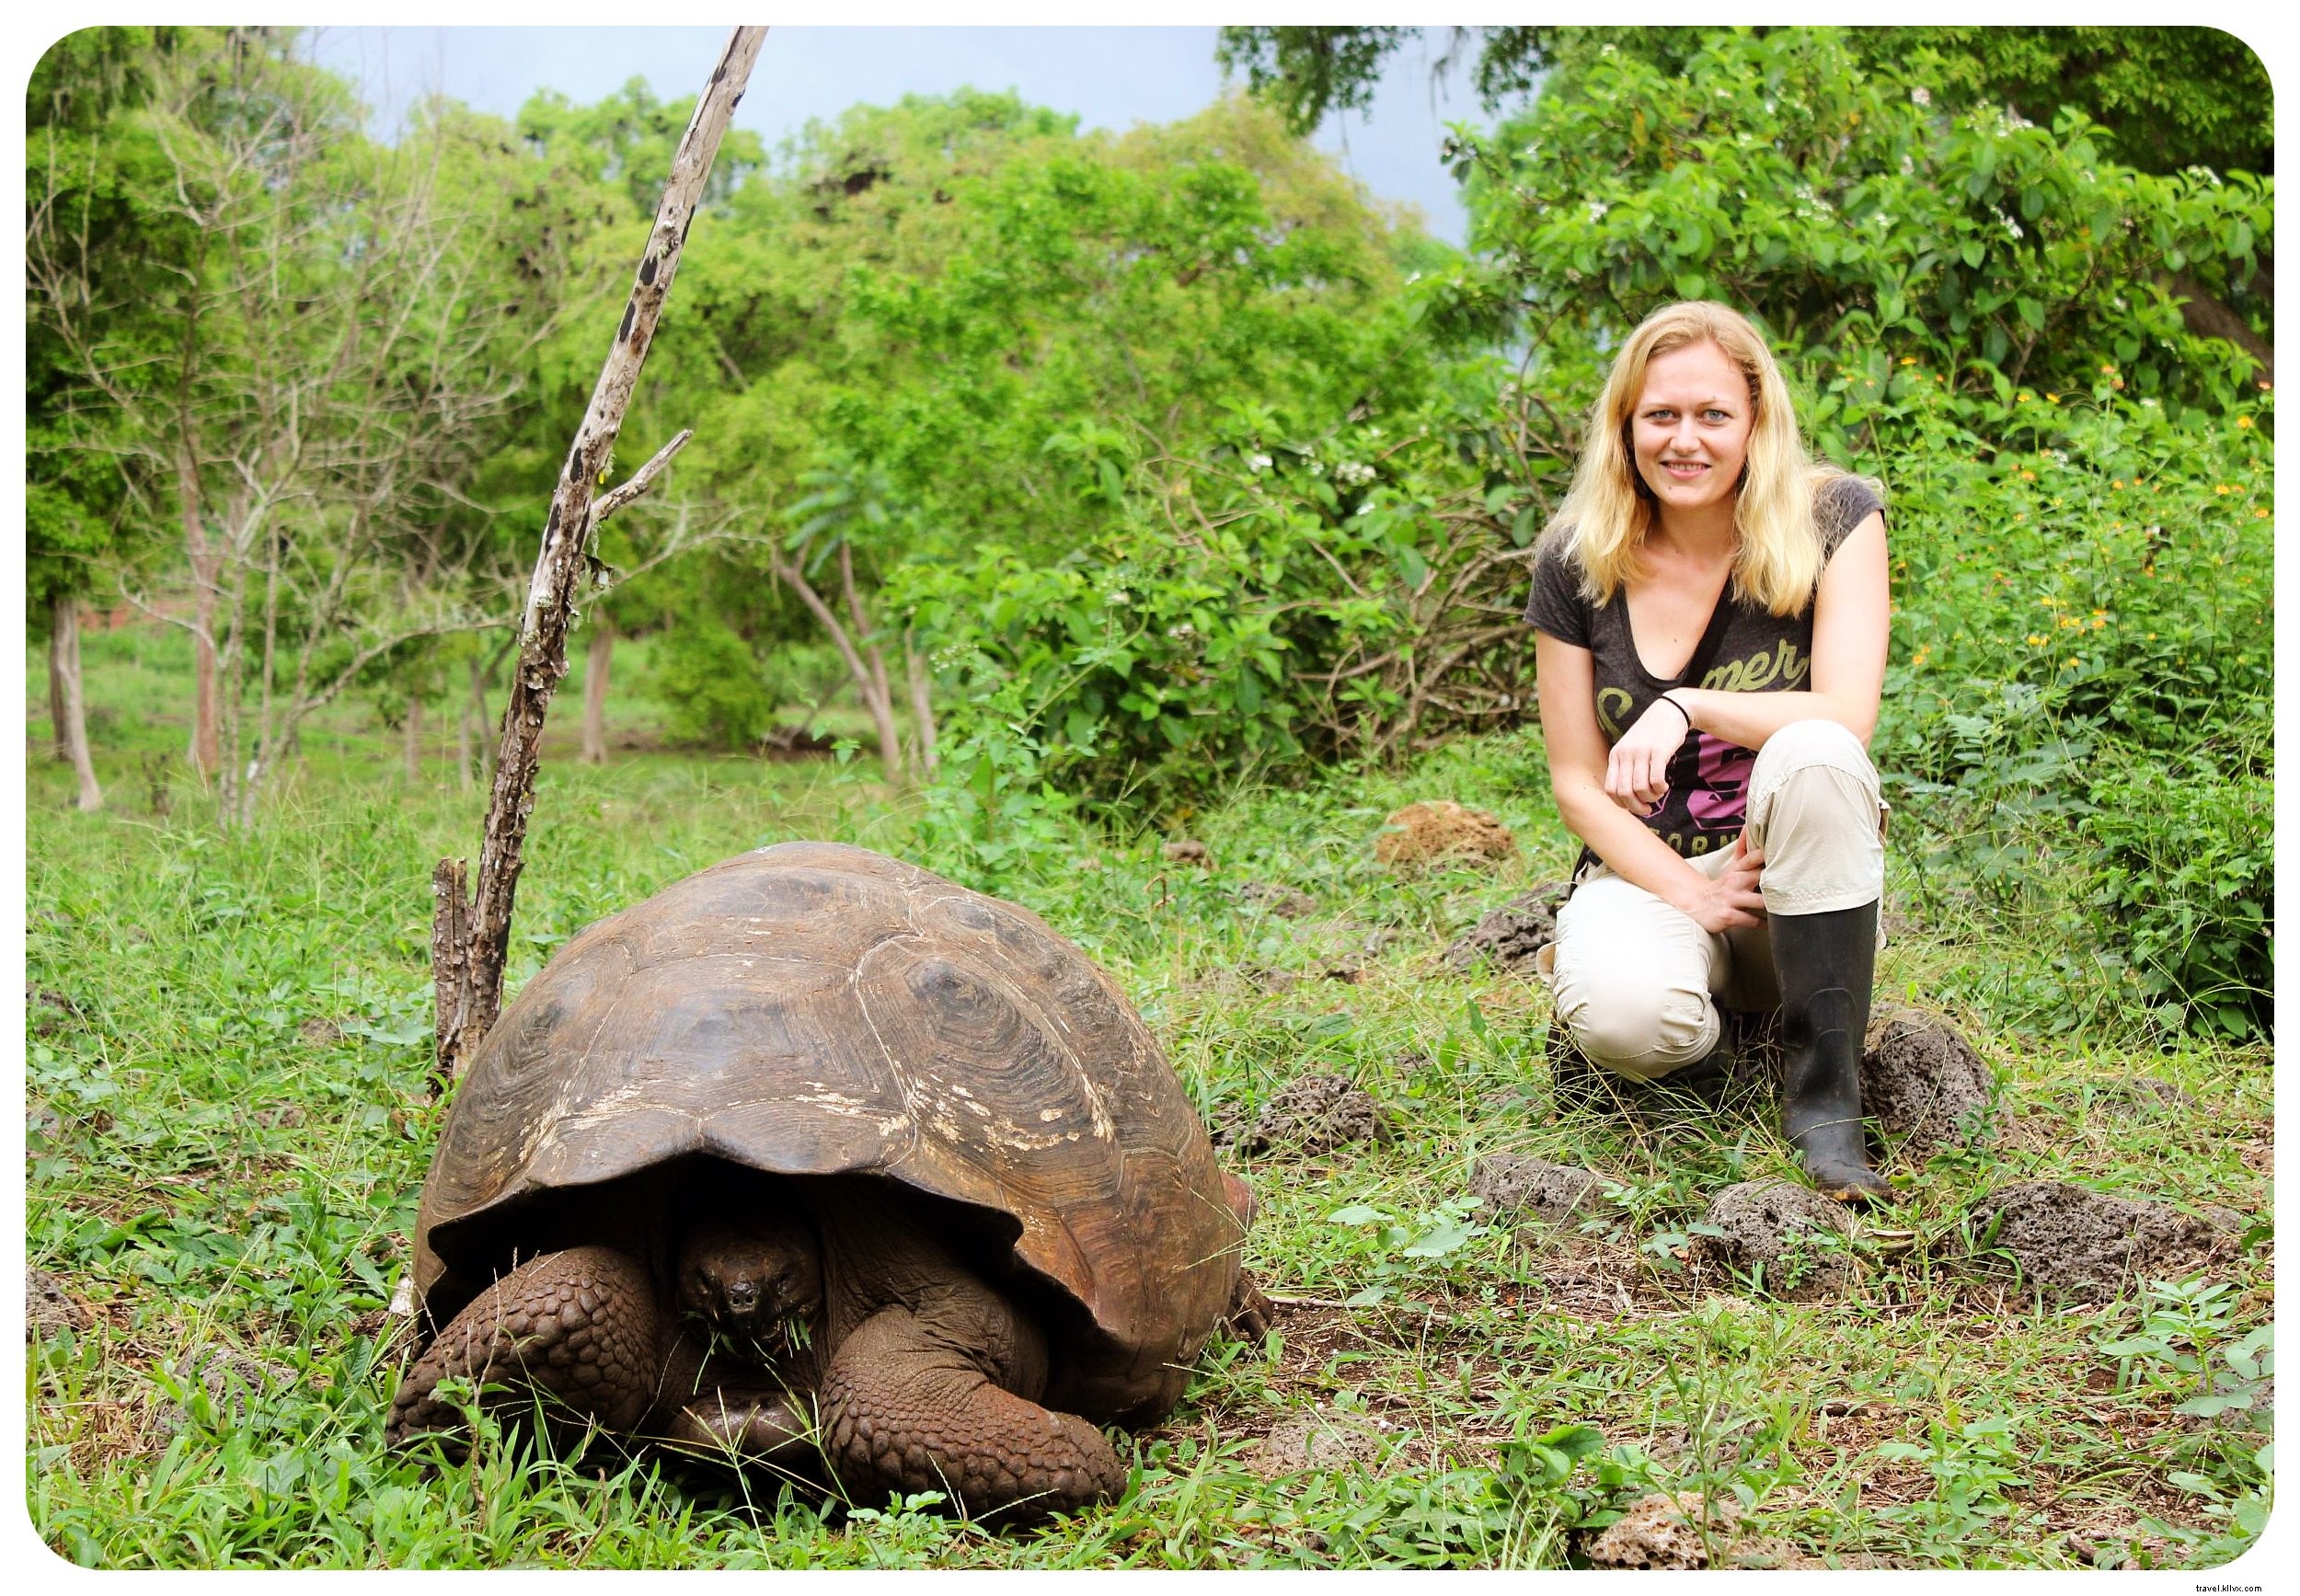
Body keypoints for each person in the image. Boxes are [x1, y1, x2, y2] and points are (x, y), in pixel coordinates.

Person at [1524, 301, 1892, 1203]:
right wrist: (1688, 892)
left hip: (1791, 877)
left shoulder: (1834, 519)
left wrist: (1684, 705)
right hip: (1654, 873)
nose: (1684, 440)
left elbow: (1847, 714)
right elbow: (1576, 780)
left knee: (1814, 747)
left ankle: (1826, 1105)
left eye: (1712, 415)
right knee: (1625, 1021)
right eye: (1660, 416)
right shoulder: (1575, 558)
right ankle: (1708, 1034)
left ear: (1754, 423)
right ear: (1625, 427)